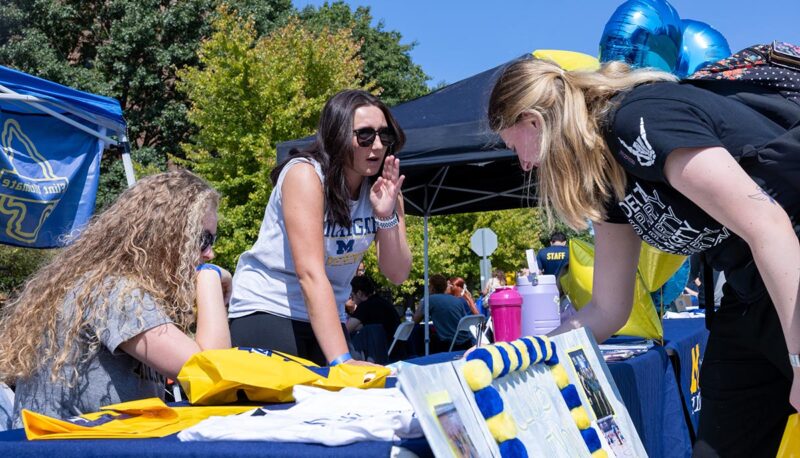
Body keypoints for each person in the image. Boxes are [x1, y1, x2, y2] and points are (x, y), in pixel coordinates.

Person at [488, 56, 799, 456]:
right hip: (747, 294)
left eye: (514, 146)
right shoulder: (604, 176)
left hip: (789, 277)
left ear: (533, 121)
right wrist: (527, 359)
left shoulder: (639, 120)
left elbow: (769, 225)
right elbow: (606, 309)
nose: (523, 164)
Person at [0, 170, 231, 425]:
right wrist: (208, 278)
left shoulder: (107, 285)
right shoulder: (114, 292)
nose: (210, 253)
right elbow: (216, 375)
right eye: (202, 240)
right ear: (167, 238)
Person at [228, 89, 412, 367]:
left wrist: (386, 216)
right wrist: (342, 360)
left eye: (384, 136)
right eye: (364, 135)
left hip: (328, 316)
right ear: (337, 134)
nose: (376, 146)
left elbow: (397, 273)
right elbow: (310, 273)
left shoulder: (383, 190)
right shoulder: (305, 175)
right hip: (271, 308)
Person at [414, 274, 471, 352]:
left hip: (449, 344)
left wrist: (424, 299)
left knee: (417, 331)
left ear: (432, 287)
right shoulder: (457, 300)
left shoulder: (430, 300)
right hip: (466, 342)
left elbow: (415, 320)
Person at [346, 275, 400, 348]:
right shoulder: (381, 302)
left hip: (381, 350)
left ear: (359, 293)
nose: (352, 300)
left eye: (352, 296)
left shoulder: (365, 306)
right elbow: (361, 326)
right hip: (395, 348)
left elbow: (346, 330)